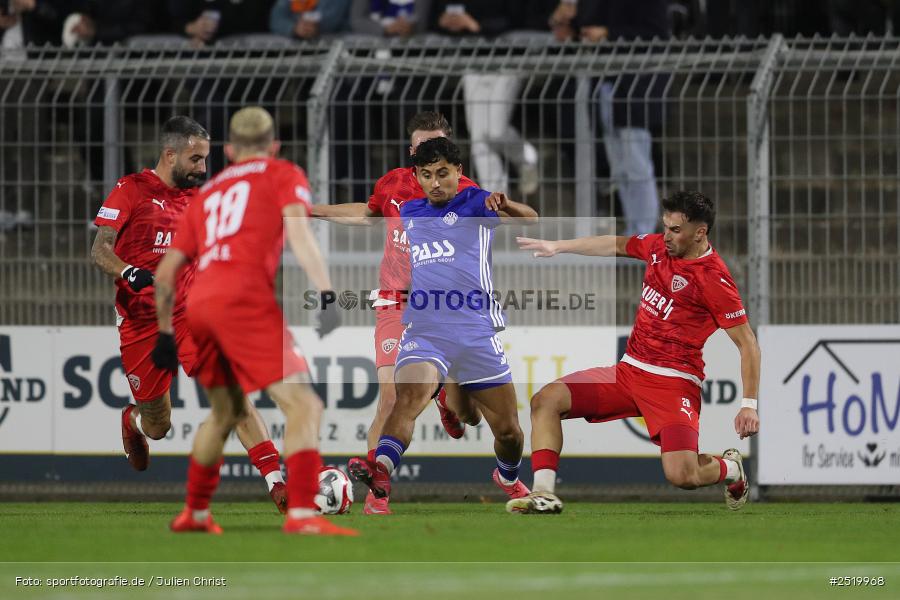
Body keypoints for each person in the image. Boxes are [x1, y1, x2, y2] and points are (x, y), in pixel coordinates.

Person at [150, 107, 355, 536]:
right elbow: (299, 234)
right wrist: (327, 293)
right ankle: (301, 516)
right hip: (244, 300)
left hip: (199, 305)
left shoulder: (207, 193)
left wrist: (167, 333)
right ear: (274, 145)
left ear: (228, 150)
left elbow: (168, 271)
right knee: (304, 404)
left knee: (223, 413)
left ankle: (195, 514)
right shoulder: (282, 173)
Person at [512, 190, 760, 514]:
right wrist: (559, 246)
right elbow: (616, 244)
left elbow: (748, 344)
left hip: (673, 383)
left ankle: (732, 470)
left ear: (700, 232)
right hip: (628, 372)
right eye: (665, 226)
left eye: (676, 230)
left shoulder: (714, 279)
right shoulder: (658, 248)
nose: (666, 236)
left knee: (682, 475)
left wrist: (749, 406)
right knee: (545, 400)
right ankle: (543, 493)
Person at [90, 116, 288, 513]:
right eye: (195, 160)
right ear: (170, 154)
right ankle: (133, 420)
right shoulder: (131, 190)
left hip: (192, 313)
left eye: (205, 159)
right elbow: (99, 250)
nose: (202, 168)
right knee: (159, 425)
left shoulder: (201, 199)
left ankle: (276, 483)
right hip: (142, 320)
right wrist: (129, 271)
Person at [351, 137, 539, 507]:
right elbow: (369, 217)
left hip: (476, 333)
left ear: (458, 173)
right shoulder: (409, 210)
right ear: (417, 178)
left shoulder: (475, 203)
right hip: (426, 329)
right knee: (405, 400)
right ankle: (382, 470)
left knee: (507, 431)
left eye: (442, 174)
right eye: (426, 175)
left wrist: (507, 204)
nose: (435, 182)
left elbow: (531, 219)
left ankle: (506, 475)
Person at [311, 111, 481, 515]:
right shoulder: (392, 185)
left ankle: (444, 396)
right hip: (395, 301)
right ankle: (378, 493)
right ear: (412, 151)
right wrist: (315, 210)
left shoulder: (469, 192)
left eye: (437, 145)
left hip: (445, 306)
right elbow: (369, 214)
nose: (429, 154)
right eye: (422, 148)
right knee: (389, 398)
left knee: (470, 414)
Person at [430, 0, 539, 196]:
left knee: (495, 131)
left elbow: (519, 18)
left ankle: (526, 157)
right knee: (479, 139)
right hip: (473, 61)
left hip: (509, 60)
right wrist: (444, 22)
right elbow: (436, 17)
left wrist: (475, 26)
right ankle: (496, 203)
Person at [269, 0, 352, 41]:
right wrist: (294, 28)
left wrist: (309, 27)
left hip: (335, 52)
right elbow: (276, 19)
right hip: (297, 54)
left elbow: (331, 18)